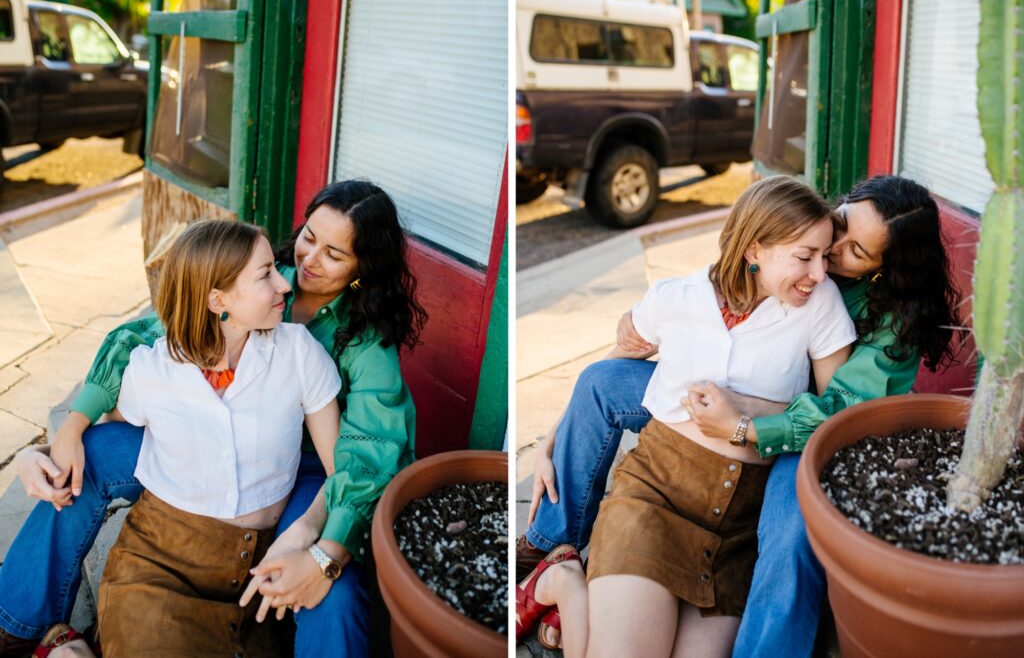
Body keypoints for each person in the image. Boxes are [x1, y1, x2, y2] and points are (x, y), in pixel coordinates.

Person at [516, 175, 961, 657]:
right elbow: (685, 319)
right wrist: (553, 436)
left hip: (801, 431)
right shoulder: (801, 243)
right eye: (842, 226)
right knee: (601, 384)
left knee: (790, 524)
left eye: (855, 252)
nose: (831, 254)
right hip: (709, 422)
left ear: (883, 271)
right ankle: (552, 541)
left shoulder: (877, 317)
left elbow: (840, 414)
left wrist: (743, 422)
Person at [0, 180, 426, 658]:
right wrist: (71, 429)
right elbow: (146, 336)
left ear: (362, 270)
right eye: (309, 236)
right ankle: (17, 622)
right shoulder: (256, 276)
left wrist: (324, 543)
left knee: (333, 579)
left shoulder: (364, 341)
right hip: (209, 437)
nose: (307, 260)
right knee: (89, 457)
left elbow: (370, 450)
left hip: (302, 467)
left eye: (334, 254)